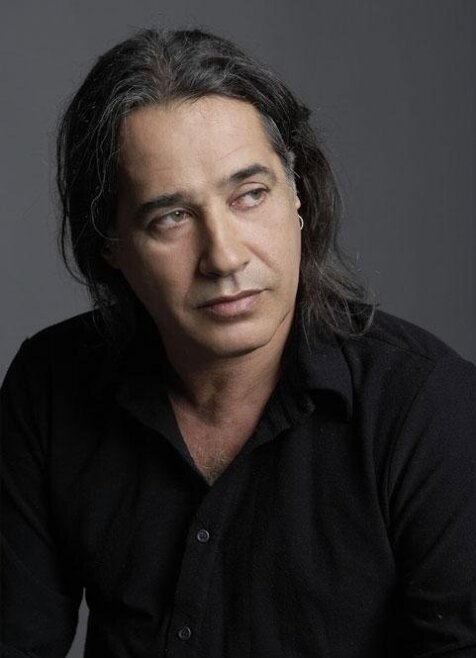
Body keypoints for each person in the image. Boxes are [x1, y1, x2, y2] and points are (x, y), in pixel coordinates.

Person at [1, 27, 475, 658]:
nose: (223, 257)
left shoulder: (430, 408)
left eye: (250, 195)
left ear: (297, 195)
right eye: (171, 217)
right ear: (112, 245)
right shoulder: (49, 386)